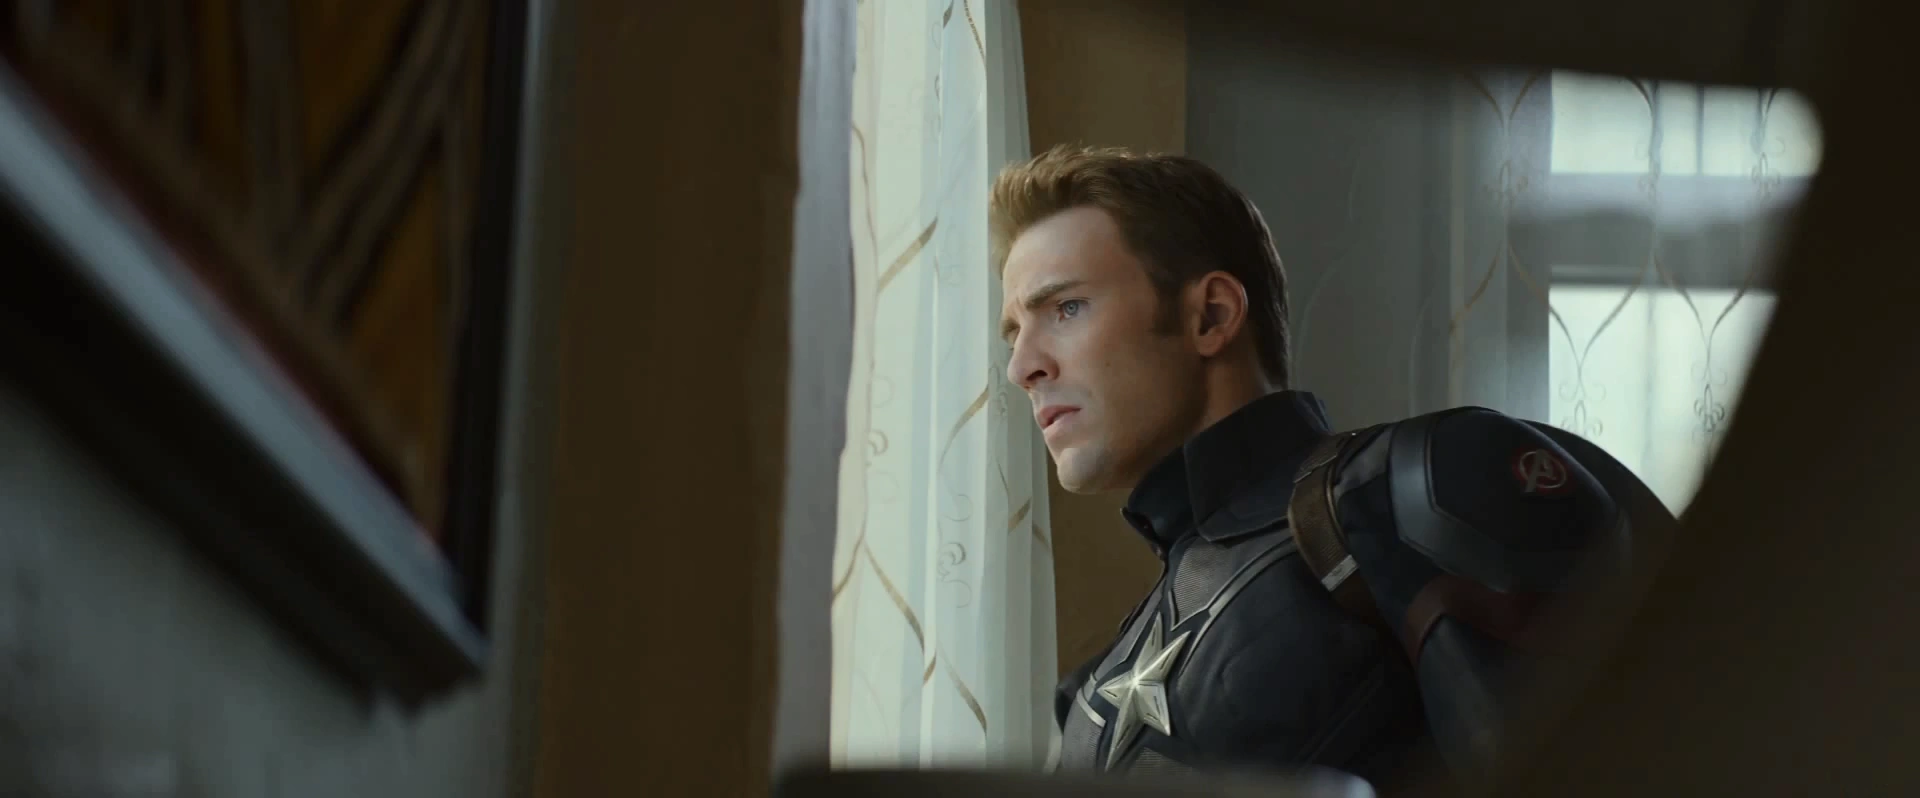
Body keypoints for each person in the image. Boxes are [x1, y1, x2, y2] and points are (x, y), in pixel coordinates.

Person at [990, 146, 1671, 790]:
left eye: (1066, 308)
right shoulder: (1094, 693)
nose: (1023, 367)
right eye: (1015, 332)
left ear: (1211, 316)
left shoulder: (1425, 490)